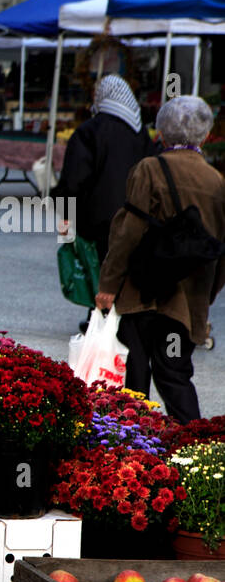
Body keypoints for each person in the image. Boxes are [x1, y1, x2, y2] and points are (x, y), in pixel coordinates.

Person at [96, 96, 225, 423]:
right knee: (175, 375)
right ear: (205, 135)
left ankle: (130, 449)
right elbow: (220, 249)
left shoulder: (149, 169)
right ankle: (193, 445)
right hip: (184, 301)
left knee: (134, 374)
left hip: (143, 293)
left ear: (162, 134)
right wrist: (206, 297)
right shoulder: (216, 182)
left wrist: (108, 284)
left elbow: (129, 232)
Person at [56, 75, 160, 263]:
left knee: (98, 285)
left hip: (96, 229)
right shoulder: (142, 135)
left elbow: (72, 184)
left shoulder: (89, 131)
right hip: (137, 227)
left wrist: (65, 230)